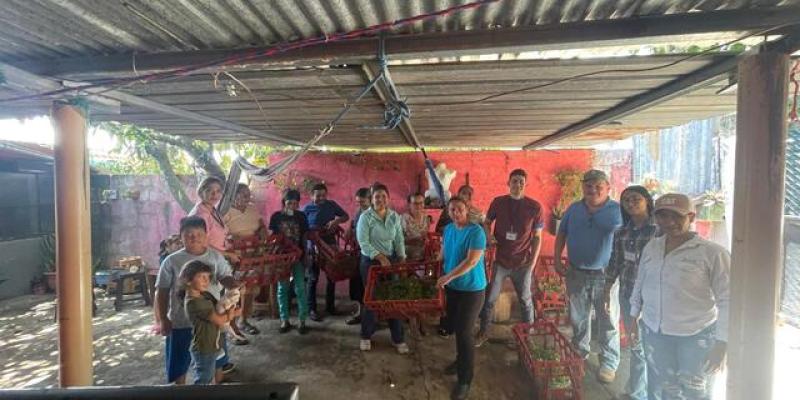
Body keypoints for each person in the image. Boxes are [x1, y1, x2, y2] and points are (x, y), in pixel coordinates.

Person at [630, 193, 730, 400]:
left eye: (676, 216)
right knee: (661, 389)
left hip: (696, 337)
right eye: (663, 216)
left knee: (694, 391)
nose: (669, 223)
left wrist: (722, 343)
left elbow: (728, 300)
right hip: (655, 332)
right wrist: (633, 316)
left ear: (691, 217)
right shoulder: (652, 246)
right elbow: (640, 283)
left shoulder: (712, 253)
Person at [554, 169, 623, 384]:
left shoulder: (618, 211)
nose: (592, 189)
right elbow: (561, 233)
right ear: (583, 186)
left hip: (606, 276)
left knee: (608, 318)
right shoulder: (574, 209)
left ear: (608, 188)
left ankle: (609, 362)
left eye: (598, 186)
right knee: (578, 316)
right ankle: (580, 353)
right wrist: (557, 259)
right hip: (576, 272)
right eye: (588, 185)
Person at [154, 216, 241, 384]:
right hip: (181, 323)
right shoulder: (171, 261)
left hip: (212, 322)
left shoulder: (215, 257)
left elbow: (225, 277)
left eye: (199, 234)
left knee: (216, 361)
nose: (194, 238)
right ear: (181, 237)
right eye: (189, 235)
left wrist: (235, 286)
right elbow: (162, 292)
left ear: (206, 235)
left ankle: (216, 389)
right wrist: (163, 319)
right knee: (179, 363)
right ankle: (180, 391)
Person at [476, 169, 543, 347]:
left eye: (521, 181)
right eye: (514, 181)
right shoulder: (498, 202)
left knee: (525, 300)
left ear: (525, 184)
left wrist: (533, 262)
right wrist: (488, 236)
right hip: (501, 261)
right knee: (490, 298)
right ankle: (483, 332)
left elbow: (537, 237)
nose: (518, 184)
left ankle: (526, 337)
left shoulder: (535, 207)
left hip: (523, 263)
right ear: (508, 183)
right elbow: (486, 223)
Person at [604, 186, 658, 400]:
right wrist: (607, 288)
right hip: (627, 294)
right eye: (626, 201)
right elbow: (615, 262)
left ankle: (646, 392)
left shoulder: (659, 231)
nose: (631, 203)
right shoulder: (622, 232)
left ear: (647, 200)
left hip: (654, 298)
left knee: (654, 347)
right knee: (636, 345)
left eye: (636, 199)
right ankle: (637, 392)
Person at [437, 196, 487, 400]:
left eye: (459, 209)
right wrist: (436, 262)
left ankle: (465, 380)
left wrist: (448, 277)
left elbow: (472, 261)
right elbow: (444, 252)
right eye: (452, 210)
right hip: (453, 289)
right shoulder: (448, 229)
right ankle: (460, 362)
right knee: (457, 328)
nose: (455, 213)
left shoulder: (476, 232)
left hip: (473, 290)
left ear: (466, 210)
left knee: (465, 333)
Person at [356, 182, 409, 354]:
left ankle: (397, 338)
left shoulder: (394, 216)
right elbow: (363, 243)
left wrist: (401, 258)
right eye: (377, 196)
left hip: (391, 261)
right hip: (371, 262)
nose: (380, 199)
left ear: (388, 199)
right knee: (372, 299)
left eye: (383, 196)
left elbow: (399, 239)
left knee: (394, 298)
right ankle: (365, 336)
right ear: (371, 199)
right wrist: (380, 257)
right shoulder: (365, 217)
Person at [181, 260, 241, 384]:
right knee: (204, 380)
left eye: (208, 277)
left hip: (212, 343)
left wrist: (232, 296)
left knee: (210, 374)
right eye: (201, 277)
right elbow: (219, 319)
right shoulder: (194, 302)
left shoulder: (205, 295)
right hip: (204, 347)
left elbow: (219, 307)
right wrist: (232, 313)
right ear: (188, 280)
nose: (206, 280)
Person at [302, 183, 349, 321]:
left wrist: (336, 221)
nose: (321, 198)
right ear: (311, 196)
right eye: (318, 195)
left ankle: (330, 307)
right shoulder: (306, 209)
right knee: (313, 278)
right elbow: (302, 228)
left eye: (323, 195)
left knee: (331, 277)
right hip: (313, 248)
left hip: (330, 246)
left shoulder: (331, 205)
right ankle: (312, 309)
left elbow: (345, 216)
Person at [223, 183, 265, 336]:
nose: (248, 197)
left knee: (250, 288)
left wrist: (263, 231)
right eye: (244, 194)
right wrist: (232, 239)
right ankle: (230, 324)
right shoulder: (225, 211)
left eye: (249, 194)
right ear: (234, 195)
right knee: (233, 289)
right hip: (234, 254)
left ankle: (244, 320)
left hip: (253, 252)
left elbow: (261, 225)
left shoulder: (252, 209)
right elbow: (221, 233)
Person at [269, 189, 311, 335]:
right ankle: (284, 319)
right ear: (283, 203)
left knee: (300, 288)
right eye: (289, 203)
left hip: (298, 256)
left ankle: (302, 320)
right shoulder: (276, 217)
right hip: (282, 259)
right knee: (282, 289)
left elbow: (305, 237)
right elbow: (272, 238)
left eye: (295, 203)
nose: (292, 206)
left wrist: (305, 255)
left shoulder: (301, 216)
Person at [346, 187, 372, 325]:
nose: (360, 205)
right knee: (357, 285)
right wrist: (349, 228)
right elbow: (354, 225)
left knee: (368, 287)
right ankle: (360, 313)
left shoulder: (373, 214)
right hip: (358, 253)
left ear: (370, 200)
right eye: (358, 202)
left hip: (369, 255)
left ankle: (370, 318)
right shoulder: (360, 212)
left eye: (363, 202)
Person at [402, 192, 433, 261]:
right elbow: (398, 241)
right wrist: (414, 239)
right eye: (415, 203)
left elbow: (428, 235)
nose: (418, 206)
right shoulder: (402, 219)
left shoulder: (426, 218)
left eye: (421, 203)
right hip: (407, 254)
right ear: (409, 205)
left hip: (424, 253)